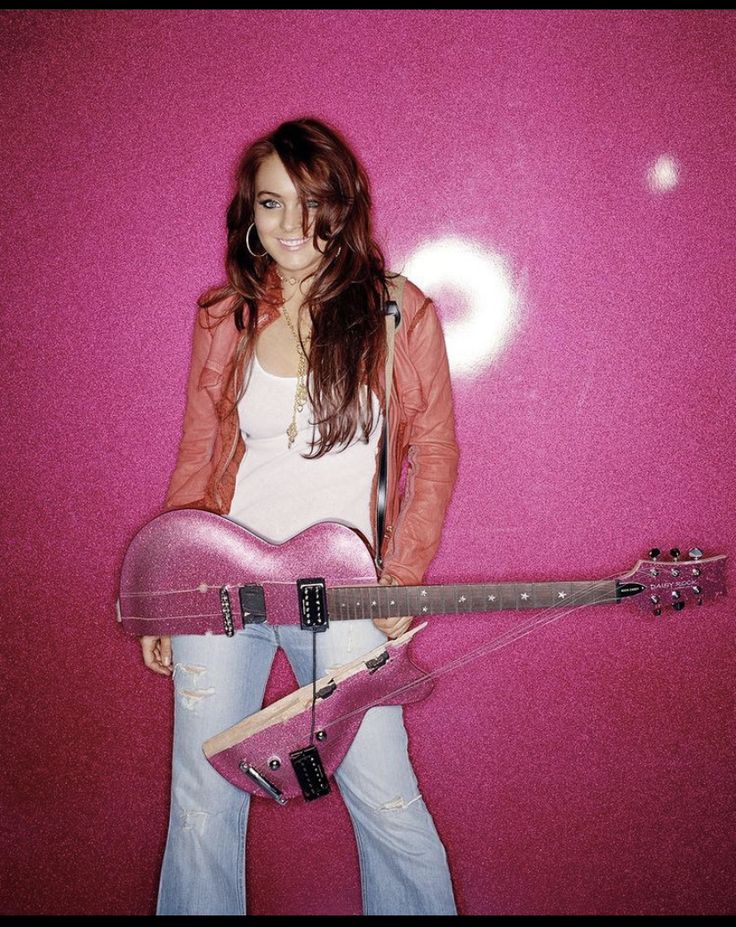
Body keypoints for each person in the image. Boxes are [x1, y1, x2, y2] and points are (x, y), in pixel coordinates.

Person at [139, 117, 459, 916]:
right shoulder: (227, 315)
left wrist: (402, 581)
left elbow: (438, 457)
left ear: (341, 207)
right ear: (249, 213)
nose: (289, 227)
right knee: (202, 800)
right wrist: (163, 587)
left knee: (389, 803)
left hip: (343, 589)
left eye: (308, 204)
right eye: (270, 204)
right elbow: (198, 452)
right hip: (220, 587)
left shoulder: (396, 313)